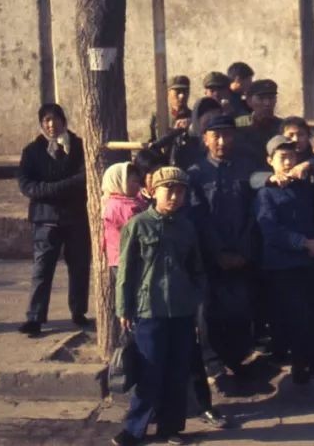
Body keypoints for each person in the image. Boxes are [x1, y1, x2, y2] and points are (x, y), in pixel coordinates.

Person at [113, 167, 204, 446]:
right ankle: (134, 429)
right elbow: (125, 271)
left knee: (177, 372)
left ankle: (170, 427)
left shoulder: (187, 227)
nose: (175, 197)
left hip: (181, 311)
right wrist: (123, 309)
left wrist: (196, 303)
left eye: (180, 191)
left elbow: (197, 269)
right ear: (153, 192)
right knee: (149, 372)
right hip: (148, 311)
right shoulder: (138, 225)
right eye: (169, 190)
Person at [255, 135, 314, 384]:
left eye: (292, 156)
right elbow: (270, 229)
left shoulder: (308, 188)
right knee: (291, 317)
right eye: (282, 157)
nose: (288, 162)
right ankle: (298, 366)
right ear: (270, 161)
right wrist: (303, 243)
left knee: (313, 314)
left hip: (310, 261)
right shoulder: (266, 193)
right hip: (282, 264)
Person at [187, 115, 258, 380]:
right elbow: (198, 217)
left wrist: (242, 251)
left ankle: (238, 359)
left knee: (240, 308)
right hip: (210, 257)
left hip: (242, 253)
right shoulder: (195, 174)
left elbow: (255, 212)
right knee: (208, 311)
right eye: (215, 136)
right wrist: (218, 253)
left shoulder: (247, 169)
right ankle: (212, 362)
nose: (221, 141)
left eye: (227, 135)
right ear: (205, 139)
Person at [17, 103, 91, 338]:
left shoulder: (79, 147)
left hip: (76, 218)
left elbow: (84, 178)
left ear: (63, 120)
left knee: (79, 268)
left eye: (55, 119)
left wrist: (49, 189)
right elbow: (27, 185)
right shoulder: (32, 152)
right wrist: (60, 188)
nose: (51, 125)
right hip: (45, 221)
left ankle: (78, 312)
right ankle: (35, 317)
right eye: (46, 120)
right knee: (41, 269)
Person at [102, 162, 146, 290]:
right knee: (131, 291)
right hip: (124, 258)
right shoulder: (116, 205)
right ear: (118, 182)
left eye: (138, 182)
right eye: (133, 182)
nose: (138, 186)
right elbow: (135, 227)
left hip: (135, 256)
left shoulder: (134, 200)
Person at [234, 79, 283, 169]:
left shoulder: (282, 127)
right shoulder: (238, 125)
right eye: (261, 98)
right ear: (249, 101)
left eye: (271, 98)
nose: (267, 103)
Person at [150, 76, 192, 141]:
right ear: (168, 93)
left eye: (185, 91)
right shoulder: (158, 117)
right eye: (178, 92)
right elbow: (152, 141)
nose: (182, 96)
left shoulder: (194, 117)